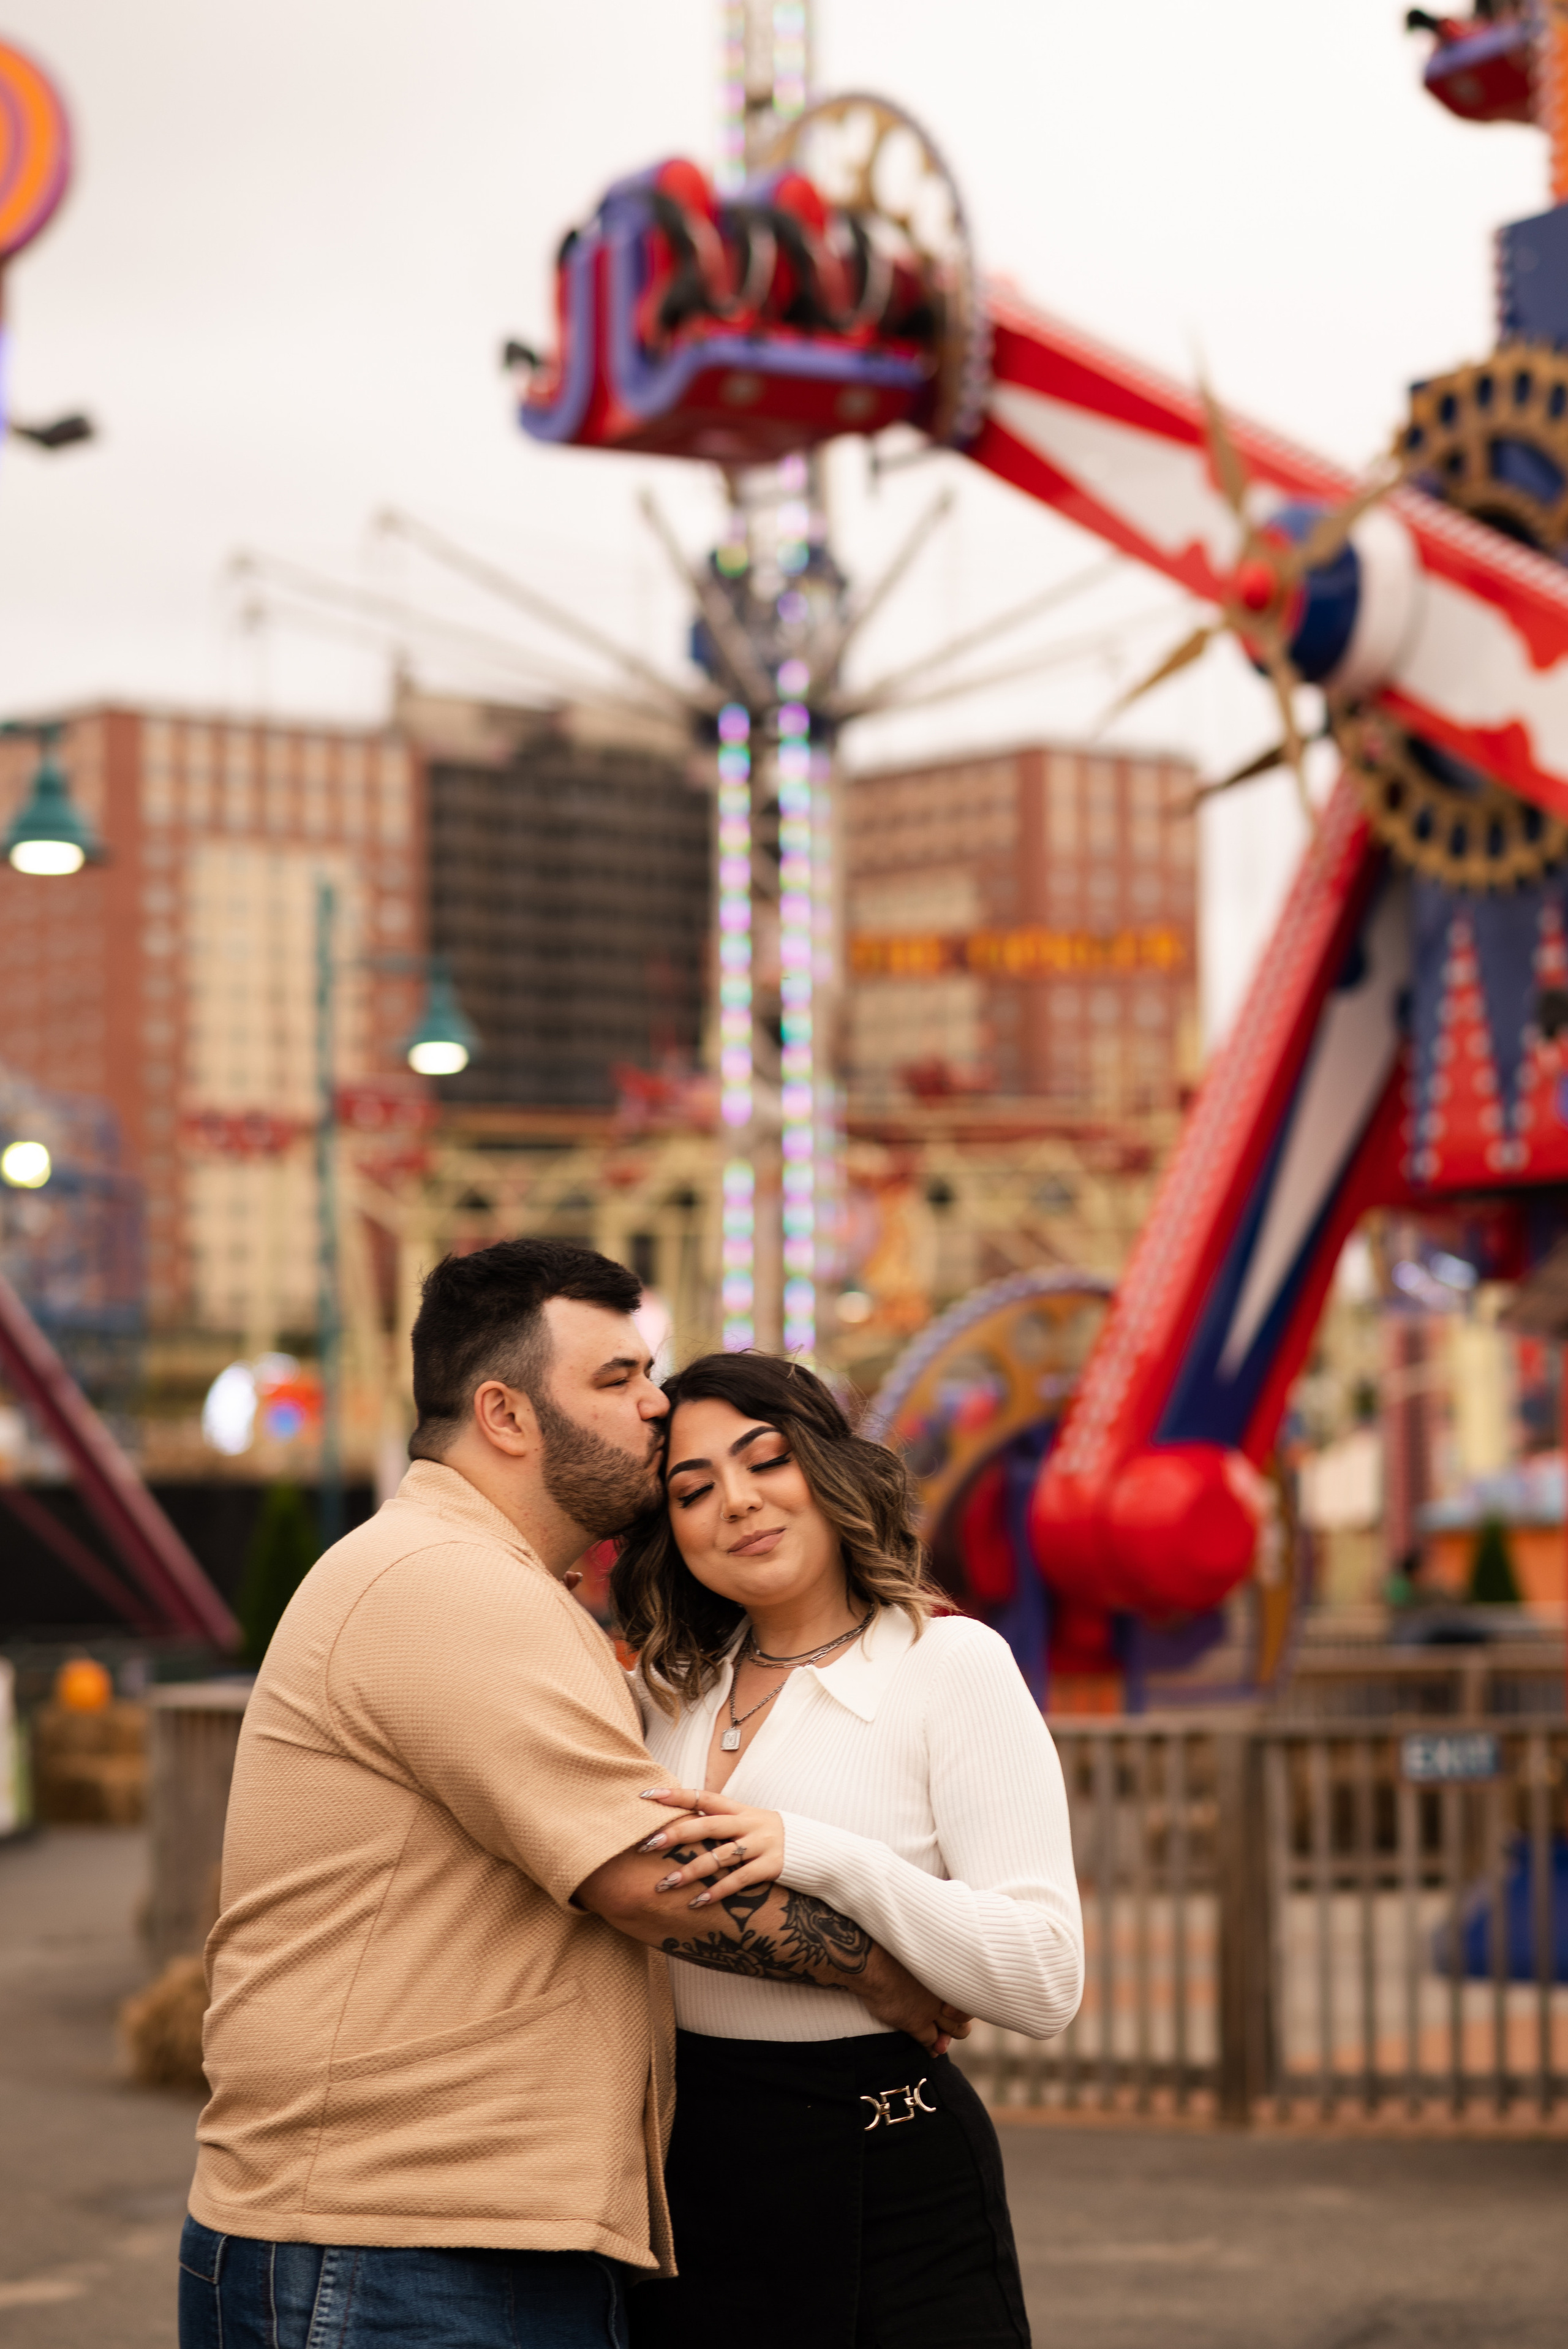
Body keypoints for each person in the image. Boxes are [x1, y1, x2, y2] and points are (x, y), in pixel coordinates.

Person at [179, 1239, 963, 2349]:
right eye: (617, 1379)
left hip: (423, 2239)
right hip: (399, 2250)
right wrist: (888, 1970)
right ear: (504, 1414)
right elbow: (652, 1881)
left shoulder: (501, 1587)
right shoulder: (445, 1582)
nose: (656, 1406)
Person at [611, 1349, 1084, 2349]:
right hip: (688, 2169)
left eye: (766, 1459)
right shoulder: (666, 1691)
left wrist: (821, 1854)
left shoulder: (948, 1663)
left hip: (887, 2164)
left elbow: (1044, 1976)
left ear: (828, 1469)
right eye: (693, 1489)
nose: (736, 1503)